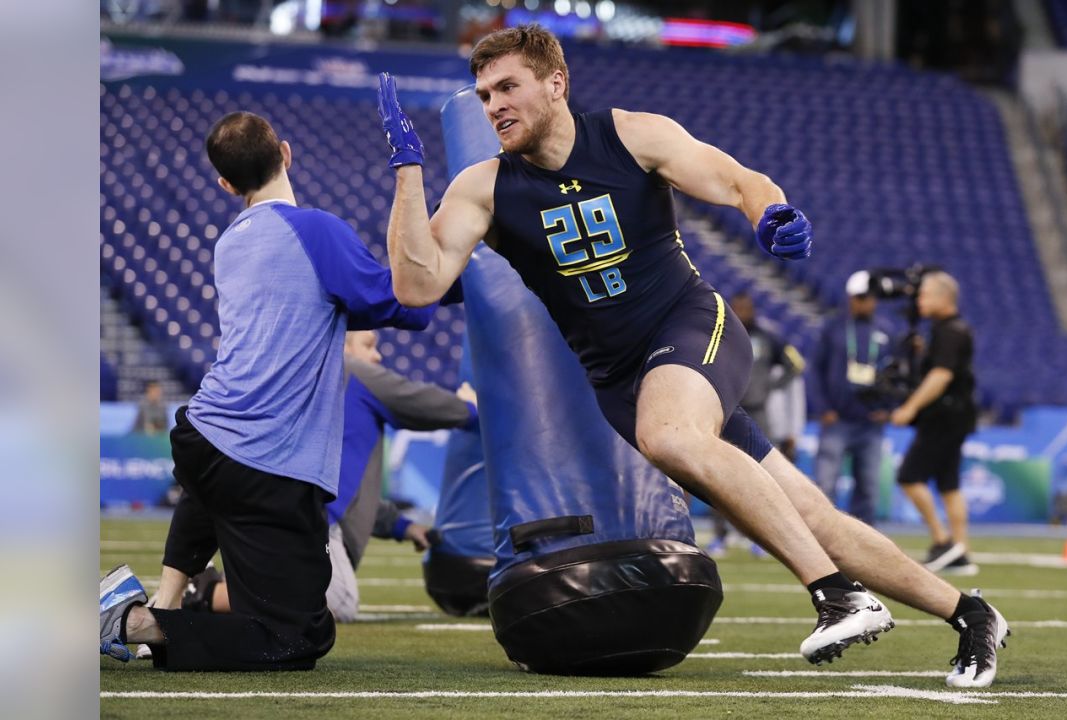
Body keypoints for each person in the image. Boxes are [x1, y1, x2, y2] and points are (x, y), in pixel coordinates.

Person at [374, 24, 1008, 684]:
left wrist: (771, 213)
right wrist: (409, 175)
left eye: (507, 86)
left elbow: (736, 180)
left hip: (690, 326)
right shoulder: (484, 186)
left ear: (556, 84)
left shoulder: (630, 135)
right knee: (810, 513)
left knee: (669, 435)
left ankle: (836, 593)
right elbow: (417, 285)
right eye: (483, 94)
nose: (493, 105)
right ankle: (970, 612)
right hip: (621, 380)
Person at [99, 111, 439, 671]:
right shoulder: (316, 230)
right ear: (286, 152)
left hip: (205, 433)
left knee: (210, 489)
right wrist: (458, 263)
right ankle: (135, 620)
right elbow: (405, 303)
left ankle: (164, 596)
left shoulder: (230, 242)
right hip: (268, 459)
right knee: (298, 636)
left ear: (226, 185)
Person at [157, 330, 478, 623]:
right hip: (316, 522)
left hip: (290, 507)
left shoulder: (328, 390)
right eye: (369, 346)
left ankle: (209, 589)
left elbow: (351, 494)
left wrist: (405, 527)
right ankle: (204, 594)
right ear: (343, 347)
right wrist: (471, 408)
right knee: (337, 598)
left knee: (316, 596)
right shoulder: (356, 372)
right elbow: (425, 404)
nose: (378, 356)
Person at [891, 272, 980, 575]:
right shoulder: (948, 330)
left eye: (925, 295)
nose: (919, 300)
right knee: (949, 485)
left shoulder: (949, 331)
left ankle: (944, 542)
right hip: (955, 417)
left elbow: (941, 376)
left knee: (909, 476)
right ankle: (961, 552)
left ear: (944, 297)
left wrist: (909, 407)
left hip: (943, 418)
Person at [703, 292, 805, 558]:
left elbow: (795, 364)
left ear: (753, 310)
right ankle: (719, 536)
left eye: (745, 307)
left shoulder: (766, 336)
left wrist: (771, 386)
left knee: (765, 475)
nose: (741, 312)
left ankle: (763, 539)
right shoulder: (719, 333)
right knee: (718, 474)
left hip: (758, 413)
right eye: (736, 307)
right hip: (725, 409)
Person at [812, 270, 896, 525]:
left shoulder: (886, 330)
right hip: (837, 419)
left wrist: (889, 407)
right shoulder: (833, 328)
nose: (865, 302)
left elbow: (896, 373)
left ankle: (865, 545)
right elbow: (815, 369)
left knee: (868, 489)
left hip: (870, 422)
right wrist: (823, 408)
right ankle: (822, 538)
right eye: (860, 297)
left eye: (870, 297)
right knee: (825, 485)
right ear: (850, 298)